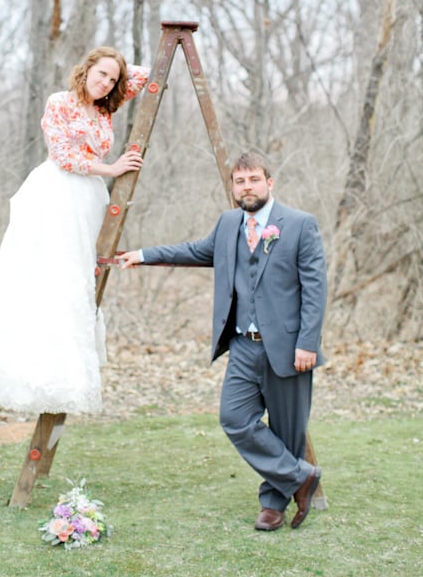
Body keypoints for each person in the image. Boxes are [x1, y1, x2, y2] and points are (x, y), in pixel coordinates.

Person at [118, 151, 327, 531]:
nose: (247, 187)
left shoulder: (299, 225)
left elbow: (315, 289)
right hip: (244, 346)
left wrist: (307, 343)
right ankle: (300, 477)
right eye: (240, 181)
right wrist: (145, 255)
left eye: (254, 180)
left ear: (269, 182)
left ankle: (273, 505)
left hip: (288, 347)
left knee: (287, 429)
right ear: (233, 187)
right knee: (233, 418)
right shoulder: (229, 223)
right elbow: (196, 251)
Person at [0, 46, 149, 416]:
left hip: (89, 199)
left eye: (113, 79)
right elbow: (64, 155)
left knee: (77, 281)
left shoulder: (104, 108)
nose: (107, 83)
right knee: (49, 277)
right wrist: (112, 169)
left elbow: (141, 77)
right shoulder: (60, 102)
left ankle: (65, 376)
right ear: (86, 69)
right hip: (57, 193)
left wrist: (119, 70)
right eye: (101, 74)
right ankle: (32, 374)